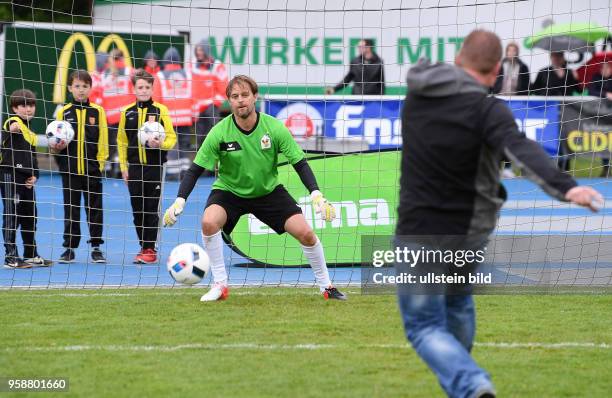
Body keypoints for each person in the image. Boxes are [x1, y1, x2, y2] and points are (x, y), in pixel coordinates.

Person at [396, 30, 603, 398]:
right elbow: (521, 148)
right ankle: (466, 386)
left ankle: (470, 384)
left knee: (424, 326)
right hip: (469, 233)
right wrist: (566, 186)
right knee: (458, 300)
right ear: (495, 72)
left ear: (459, 59)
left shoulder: (416, 97)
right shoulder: (488, 109)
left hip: (419, 230)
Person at [163, 75, 347, 302]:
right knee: (209, 222)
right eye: (235, 96)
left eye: (245, 95)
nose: (240, 101)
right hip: (230, 191)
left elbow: (299, 163)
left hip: (268, 192)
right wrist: (180, 200)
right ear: (229, 101)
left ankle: (326, 287)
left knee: (306, 234)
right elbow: (194, 170)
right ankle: (220, 284)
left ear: (255, 97)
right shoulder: (219, 132)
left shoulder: (274, 127)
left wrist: (316, 195)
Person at [118, 69, 177, 264]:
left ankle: (150, 248)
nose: (144, 90)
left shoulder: (161, 110)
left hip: (154, 167)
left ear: (152, 88)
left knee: (151, 208)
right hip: (134, 167)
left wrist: (161, 144)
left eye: (147, 87)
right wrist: (123, 167)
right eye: (140, 87)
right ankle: (143, 246)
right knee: (137, 209)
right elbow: (121, 141)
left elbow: (171, 137)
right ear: (133, 89)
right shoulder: (127, 112)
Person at [52, 70, 109, 264]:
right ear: (69, 88)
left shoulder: (98, 111)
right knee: (71, 209)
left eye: (85, 86)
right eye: (77, 86)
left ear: (90, 88)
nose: (81, 90)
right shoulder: (63, 111)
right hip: (70, 171)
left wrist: (100, 163)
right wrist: (61, 159)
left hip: (92, 170)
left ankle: (96, 247)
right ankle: (69, 248)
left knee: (95, 208)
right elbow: (56, 142)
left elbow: (103, 141)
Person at [0, 89, 51, 268]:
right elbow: (12, 126)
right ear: (14, 108)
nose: (28, 109)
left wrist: (34, 175)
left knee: (30, 215)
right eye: (23, 106)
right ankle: (11, 256)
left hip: (26, 179)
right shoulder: (12, 122)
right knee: (12, 215)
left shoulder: (30, 131)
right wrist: (15, 124)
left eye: (31, 105)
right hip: (10, 174)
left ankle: (30, 253)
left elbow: (32, 157)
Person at [153, 47, 193, 180]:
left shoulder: (160, 75)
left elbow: (156, 99)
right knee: (184, 145)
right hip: (186, 117)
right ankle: (185, 172)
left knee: (172, 145)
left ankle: (173, 174)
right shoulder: (188, 74)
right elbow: (194, 95)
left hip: (169, 118)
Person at [100, 49, 134, 178]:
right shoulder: (129, 71)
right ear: (122, 58)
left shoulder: (104, 75)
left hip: (110, 116)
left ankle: (109, 169)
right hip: (127, 115)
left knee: (111, 144)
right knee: (126, 143)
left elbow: (101, 95)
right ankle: (122, 169)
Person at [191, 39, 228, 152]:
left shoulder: (217, 66)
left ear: (207, 50)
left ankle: (214, 166)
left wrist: (212, 104)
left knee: (213, 137)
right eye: (197, 50)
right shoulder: (192, 64)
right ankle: (201, 165)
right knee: (200, 139)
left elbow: (224, 90)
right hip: (196, 108)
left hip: (211, 108)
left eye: (201, 50)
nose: (199, 53)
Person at [588, 61, 612, 177]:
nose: (604, 69)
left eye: (607, 67)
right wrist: (605, 94)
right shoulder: (596, 78)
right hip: (601, 115)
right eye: (602, 67)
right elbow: (591, 91)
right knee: (604, 140)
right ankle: (606, 167)